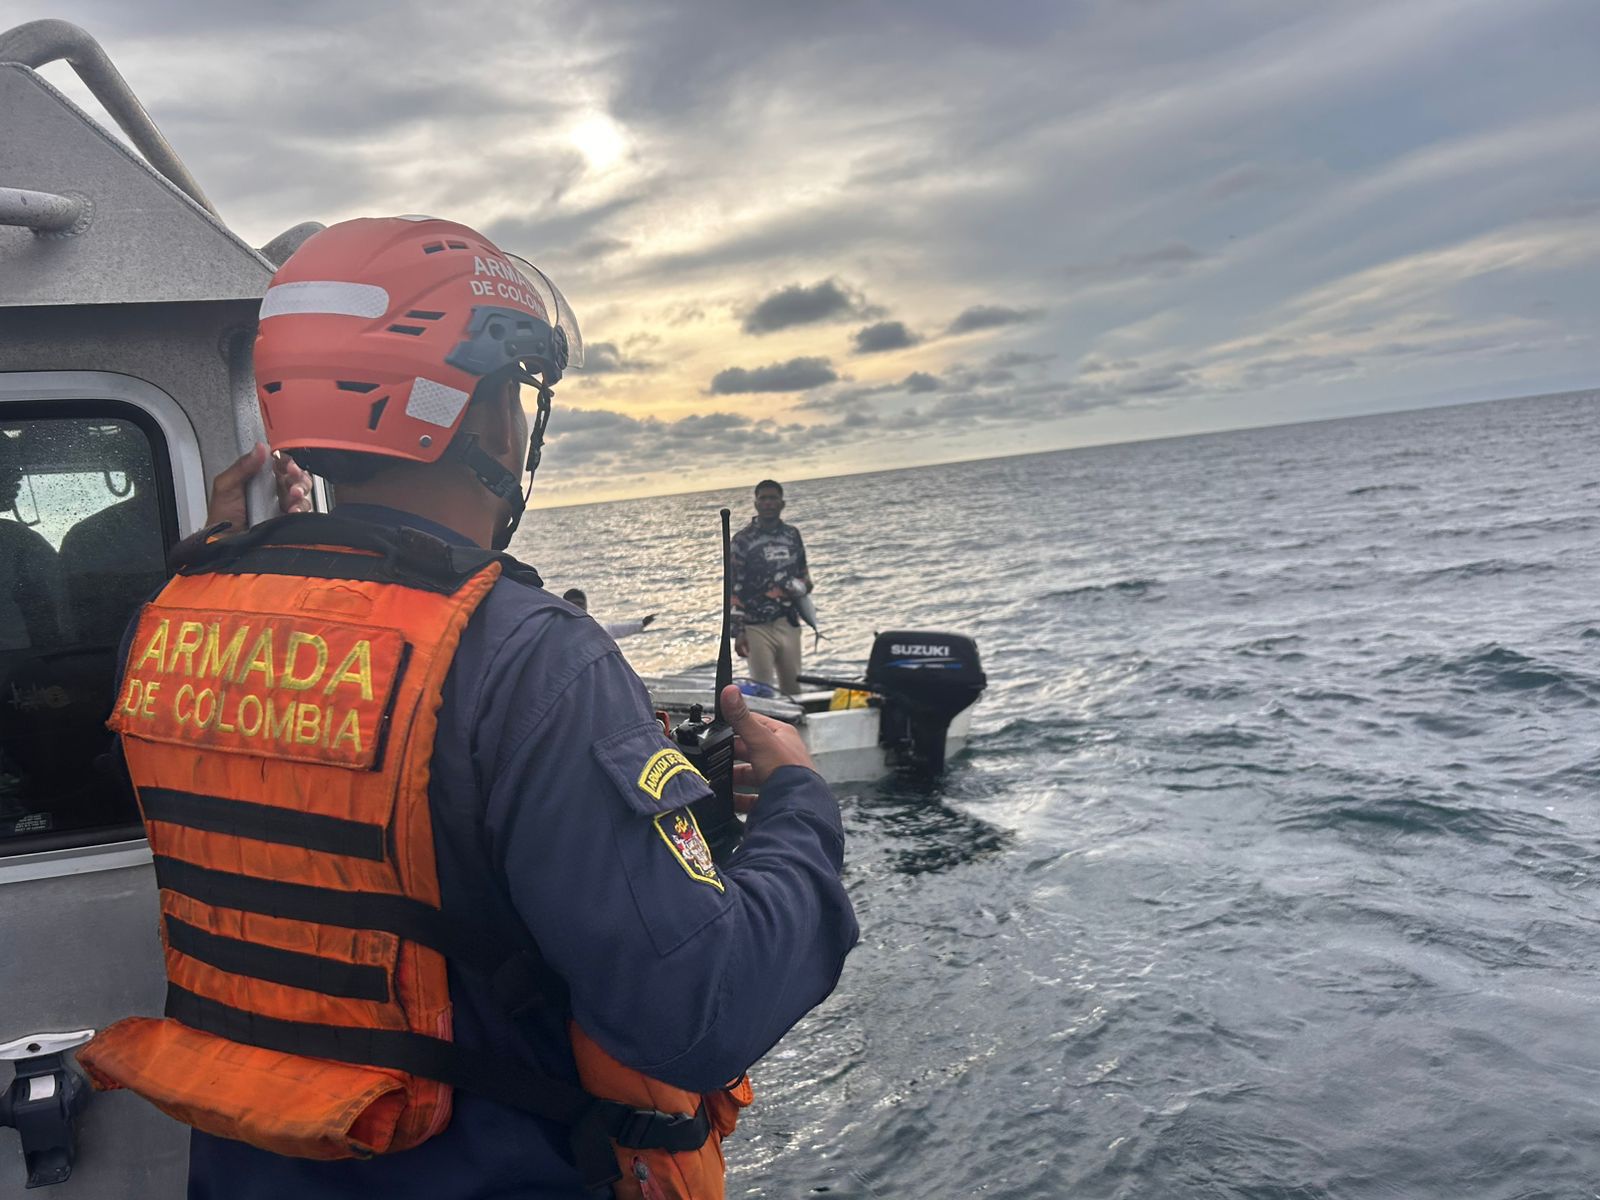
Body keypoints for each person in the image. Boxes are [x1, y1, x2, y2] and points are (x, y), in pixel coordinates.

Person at [81, 216, 858, 1200]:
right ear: (489, 419)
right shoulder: (533, 661)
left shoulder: (162, 621)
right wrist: (797, 806)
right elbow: (696, 1015)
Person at [730, 480, 811, 695]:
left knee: (793, 688)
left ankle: (791, 728)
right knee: (762, 689)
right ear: (756, 504)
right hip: (755, 626)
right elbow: (733, 589)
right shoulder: (741, 540)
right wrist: (738, 632)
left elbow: (804, 575)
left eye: (773, 498)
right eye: (763, 498)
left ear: (782, 503)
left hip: (788, 621)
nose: (768, 503)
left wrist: (801, 587)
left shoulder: (792, 535)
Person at [561, 587, 657, 640]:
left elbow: (616, 630)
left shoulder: (597, 631)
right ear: (564, 605)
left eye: (580, 604)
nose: (577, 607)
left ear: (586, 606)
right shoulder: (559, 631)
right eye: (572, 604)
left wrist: (641, 624)